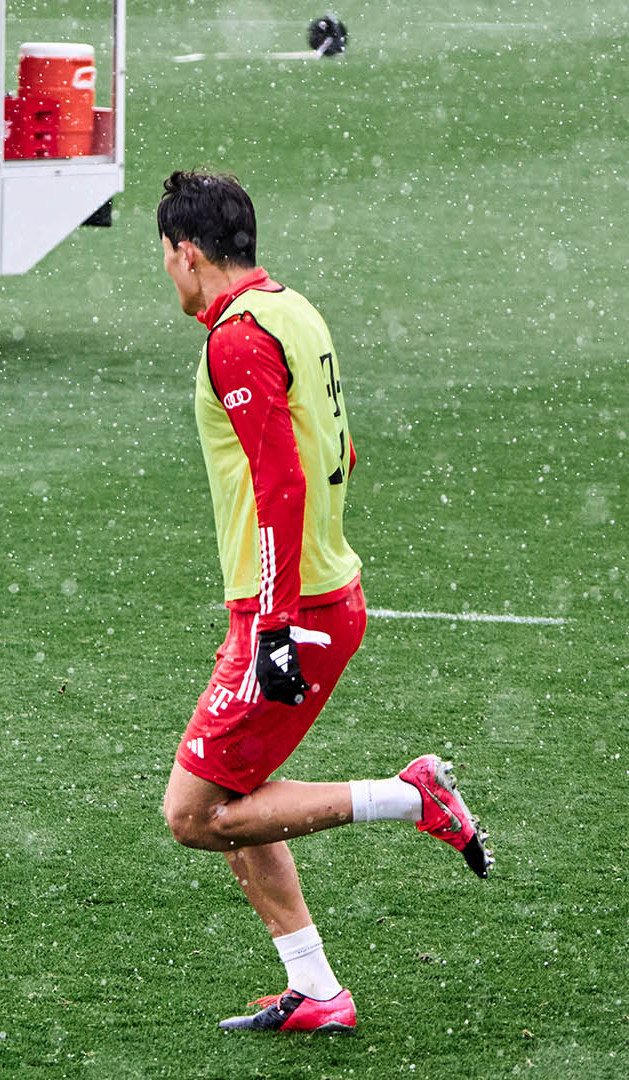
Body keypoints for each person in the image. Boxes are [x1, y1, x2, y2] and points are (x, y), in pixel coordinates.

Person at [155, 170, 491, 1034]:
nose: (166, 273)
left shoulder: (234, 339)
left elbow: (282, 482)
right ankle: (316, 990)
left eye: (165, 256)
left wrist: (270, 620)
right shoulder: (295, 311)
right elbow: (343, 446)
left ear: (189, 253)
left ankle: (412, 798)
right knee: (241, 795)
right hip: (320, 592)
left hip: (287, 610)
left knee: (194, 815)